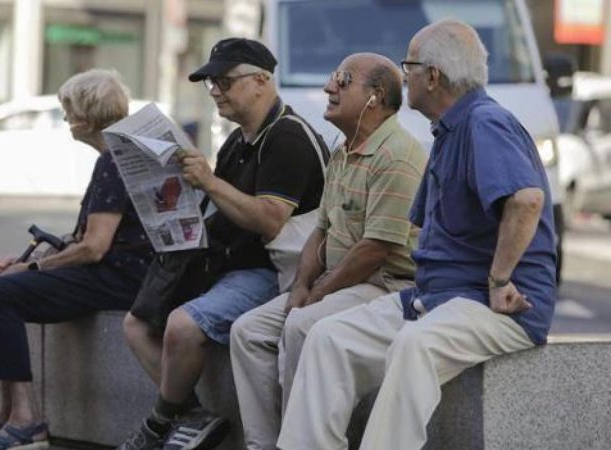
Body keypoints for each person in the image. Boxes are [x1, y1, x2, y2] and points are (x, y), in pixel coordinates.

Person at [277, 19, 557, 450]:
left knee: (415, 345)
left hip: (497, 305)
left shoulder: (485, 122)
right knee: (327, 337)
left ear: (433, 76)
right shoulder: (448, 131)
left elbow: (527, 199)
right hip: (438, 297)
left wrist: (501, 279)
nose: (402, 74)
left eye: (408, 65)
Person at [118, 38, 328, 450]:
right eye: (210, 82)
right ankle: (194, 416)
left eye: (225, 80)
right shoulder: (238, 139)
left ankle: (160, 424)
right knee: (136, 324)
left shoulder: (287, 137)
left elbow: (269, 220)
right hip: (225, 260)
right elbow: (220, 211)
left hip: (276, 271)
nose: (215, 90)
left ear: (261, 81)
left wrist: (209, 182)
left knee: (182, 325)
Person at [229, 52, 427, 450]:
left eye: (342, 79)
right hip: (339, 282)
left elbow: (376, 249)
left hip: (383, 285)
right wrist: (302, 285)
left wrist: (318, 294)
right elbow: (320, 230)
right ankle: (264, 444)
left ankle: (301, 442)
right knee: (247, 331)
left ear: (375, 96)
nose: (328, 87)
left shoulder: (398, 156)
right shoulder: (344, 148)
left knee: (303, 324)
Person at [0, 69, 154, 450]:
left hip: (119, 278)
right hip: (123, 272)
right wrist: (27, 260)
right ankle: (8, 413)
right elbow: (86, 238)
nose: (64, 119)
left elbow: (94, 247)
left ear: (86, 119)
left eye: (68, 110)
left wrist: (29, 267)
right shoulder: (124, 152)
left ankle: (26, 421)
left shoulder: (113, 160)